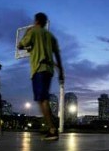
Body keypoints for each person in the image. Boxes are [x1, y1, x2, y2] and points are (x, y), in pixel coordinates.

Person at [18, 12, 64, 141]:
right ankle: (49, 126)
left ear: (36, 21)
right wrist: (61, 72)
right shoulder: (50, 36)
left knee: (42, 99)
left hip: (38, 69)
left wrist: (27, 32)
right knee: (43, 99)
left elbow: (20, 45)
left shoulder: (33, 32)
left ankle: (52, 129)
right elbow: (58, 56)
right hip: (49, 70)